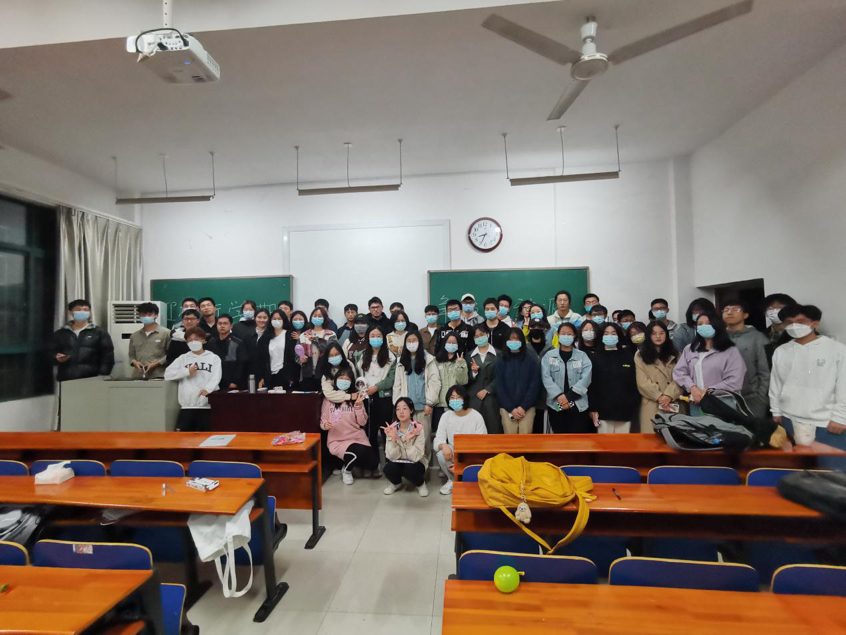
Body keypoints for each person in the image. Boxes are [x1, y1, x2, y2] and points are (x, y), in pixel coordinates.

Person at [769, 305, 846, 450]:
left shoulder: (837, 350)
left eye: (800, 321)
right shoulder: (781, 351)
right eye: (789, 322)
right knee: (795, 463)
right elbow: (776, 384)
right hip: (789, 419)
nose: (794, 326)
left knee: (831, 464)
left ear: (815, 323)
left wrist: (841, 417)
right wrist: (776, 411)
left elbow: (844, 386)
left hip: (827, 421)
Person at [672, 313, 746, 415]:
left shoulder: (730, 351)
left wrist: (709, 391)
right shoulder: (690, 349)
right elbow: (680, 372)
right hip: (696, 402)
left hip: (722, 403)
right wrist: (692, 387)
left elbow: (735, 380)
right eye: (700, 324)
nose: (704, 326)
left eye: (708, 323)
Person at [320, 370, 378, 485]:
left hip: (357, 437)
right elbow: (323, 421)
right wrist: (325, 425)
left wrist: (358, 406)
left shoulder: (356, 397)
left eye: (347, 379)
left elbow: (362, 422)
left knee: (373, 464)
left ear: (351, 382)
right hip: (337, 440)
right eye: (341, 378)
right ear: (336, 380)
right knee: (356, 453)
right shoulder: (329, 399)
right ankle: (346, 470)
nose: (344, 381)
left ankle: (354, 464)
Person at [393, 331, 441, 462]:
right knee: (407, 439)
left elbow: (434, 382)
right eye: (408, 341)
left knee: (424, 439)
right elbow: (397, 385)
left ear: (419, 342)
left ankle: (424, 468)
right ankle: (410, 467)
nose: (411, 343)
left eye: (414, 340)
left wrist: (429, 402)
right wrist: (398, 406)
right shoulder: (401, 361)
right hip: (406, 409)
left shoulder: (428, 359)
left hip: (423, 408)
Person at [164, 326, 222, 431]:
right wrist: (186, 372)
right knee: (184, 437)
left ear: (203, 340)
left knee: (206, 436)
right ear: (186, 343)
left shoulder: (213, 358)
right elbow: (167, 374)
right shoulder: (183, 358)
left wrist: (208, 389)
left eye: (196, 339)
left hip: (207, 405)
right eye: (190, 340)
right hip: (187, 406)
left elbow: (216, 376)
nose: (193, 342)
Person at [355, 326, 396, 467]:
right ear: (368, 337)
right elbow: (357, 376)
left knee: (386, 431)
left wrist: (376, 387)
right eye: (372, 336)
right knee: (369, 432)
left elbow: (391, 379)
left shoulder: (391, 356)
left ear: (383, 338)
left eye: (378, 336)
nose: (375, 339)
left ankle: (390, 464)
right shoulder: (360, 355)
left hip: (384, 397)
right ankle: (373, 465)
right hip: (366, 398)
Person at [434, 384, 487, 494]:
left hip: (473, 453)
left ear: (465, 398)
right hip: (455, 452)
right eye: (452, 398)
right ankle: (452, 480)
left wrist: (461, 466)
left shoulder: (476, 416)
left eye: (458, 397)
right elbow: (438, 439)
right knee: (441, 454)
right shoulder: (446, 416)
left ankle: (465, 477)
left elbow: (482, 444)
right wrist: (443, 445)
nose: (455, 400)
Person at [541, 322, 593, 433]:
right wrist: (560, 397)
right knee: (559, 438)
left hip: (578, 404)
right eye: (563, 333)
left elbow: (586, 378)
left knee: (577, 439)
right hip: (557, 404)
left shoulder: (582, 356)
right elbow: (546, 378)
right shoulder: (549, 356)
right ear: (558, 335)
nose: (566, 336)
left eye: (569, 334)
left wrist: (568, 397)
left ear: (574, 335)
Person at [722, 299, 770, 418]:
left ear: (745, 315)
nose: (729, 313)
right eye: (726, 310)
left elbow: (765, 371)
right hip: (722, 397)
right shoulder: (717, 337)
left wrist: (761, 398)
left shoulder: (758, 338)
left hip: (751, 398)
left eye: (735, 310)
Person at [588, 323, 639, 434]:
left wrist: (633, 405)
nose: (609, 336)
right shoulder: (594, 357)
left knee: (623, 442)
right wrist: (593, 408)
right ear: (601, 336)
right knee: (604, 443)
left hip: (625, 409)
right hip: (602, 410)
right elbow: (591, 385)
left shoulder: (628, 356)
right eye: (606, 334)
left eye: (613, 333)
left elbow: (634, 384)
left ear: (619, 336)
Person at [635, 321, 685, 433]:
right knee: (651, 439)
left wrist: (669, 395)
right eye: (654, 333)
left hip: (674, 401)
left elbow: (681, 377)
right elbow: (642, 382)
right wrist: (660, 397)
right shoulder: (640, 355)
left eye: (661, 333)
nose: (658, 336)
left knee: (676, 438)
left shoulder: (676, 354)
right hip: (652, 403)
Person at [52, 299, 115, 381]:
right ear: (70, 312)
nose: (82, 312)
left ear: (89, 313)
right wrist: (56, 358)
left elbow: (108, 357)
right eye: (78, 310)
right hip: (66, 378)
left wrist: (102, 376)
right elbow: (50, 353)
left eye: (85, 310)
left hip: (92, 378)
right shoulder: (60, 333)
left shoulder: (99, 333)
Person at [495, 328, 541, 434]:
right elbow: (499, 386)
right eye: (510, 339)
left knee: (525, 439)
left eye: (516, 339)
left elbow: (534, 385)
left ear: (522, 341)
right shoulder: (501, 360)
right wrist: (511, 408)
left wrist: (523, 407)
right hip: (507, 409)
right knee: (510, 440)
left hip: (527, 408)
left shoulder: (531, 359)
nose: (513, 342)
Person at [383, 397, 429, 497]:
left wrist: (408, 442)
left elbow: (416, 457)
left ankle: (420, 484)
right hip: (398, 460)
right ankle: (396, 483)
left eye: (404, 408)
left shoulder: (418, 428)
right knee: (388, 468)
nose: (401, 412)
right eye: (398, 409)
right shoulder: (392, 429)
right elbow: (391, 456)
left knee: (410, 469)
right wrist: (393, 440)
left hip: (416, 462)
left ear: (411, 410)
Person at [433, 333, 469, 439]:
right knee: (441, 435)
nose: (451, 344)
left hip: (456, 404)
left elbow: (463, 381)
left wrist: (459, 364)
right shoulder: (436, 361)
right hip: (439, 404)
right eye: (449, 342)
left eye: (454, 343)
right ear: (444, 343)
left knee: (456, 436)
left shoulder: (461, 360)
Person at [467, 324, 500, 434]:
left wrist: (487, 389)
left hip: (493, 398)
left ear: (487, 334)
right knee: (475, 432)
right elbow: (464, 380)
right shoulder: (469, 355)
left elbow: (501, 376)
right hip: (474, 399)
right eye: (476, 336)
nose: (479, 338)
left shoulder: (499, 354)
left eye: (482, 335)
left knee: (493, 430)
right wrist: (474, 372)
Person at [298, 307, 338, 391]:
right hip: (307, 374)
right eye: (315, 316)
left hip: (325, 373)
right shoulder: (303, 335)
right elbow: (297, 354)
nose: (317, 318)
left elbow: (331, 350)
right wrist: (300, 360)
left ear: (325, 318)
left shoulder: (331, 334)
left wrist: (315, 340)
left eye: (320, 316)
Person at [128, 302, 169, 379]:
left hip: (158, 375)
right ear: (139, 316)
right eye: (143, 314)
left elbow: (171, 355)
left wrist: (157, 364)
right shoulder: (134, 336)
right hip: (138, 376)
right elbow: (131, 356)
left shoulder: (166, 333)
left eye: (149, 314)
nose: (146, 317)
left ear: (156, 315)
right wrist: (134, 362)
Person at [207, 314, 249, 391]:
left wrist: (235, 382)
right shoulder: (211, 342)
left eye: (225, 323)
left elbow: (242, 365)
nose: (222, 326)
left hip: (232, 384)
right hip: (215, 383)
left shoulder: (237, 343)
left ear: (231, 326)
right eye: (219, 323)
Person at [256, 309, 295, 390]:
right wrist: (261, 377)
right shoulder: (265, 337)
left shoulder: (290, 335)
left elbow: (293, 357)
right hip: (269, 375)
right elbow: (260, 359)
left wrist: (292, 376)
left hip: (285, 374)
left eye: (279, 318)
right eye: (274, 318)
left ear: (284, 320)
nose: (276, 321)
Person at [764, 293, 798, 366]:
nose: (774, 311)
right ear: (765, 312)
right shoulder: (761, 334)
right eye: (771, 308)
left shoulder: (801, 333)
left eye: (780, 308)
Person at [245, 308, 271, 381]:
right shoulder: (248, 336)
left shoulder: (271, 335)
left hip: (268, 373)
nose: (262, 320)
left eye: (265, 318)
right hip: (252, 373)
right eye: (259, 317)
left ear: (269, 319)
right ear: (254, 318)